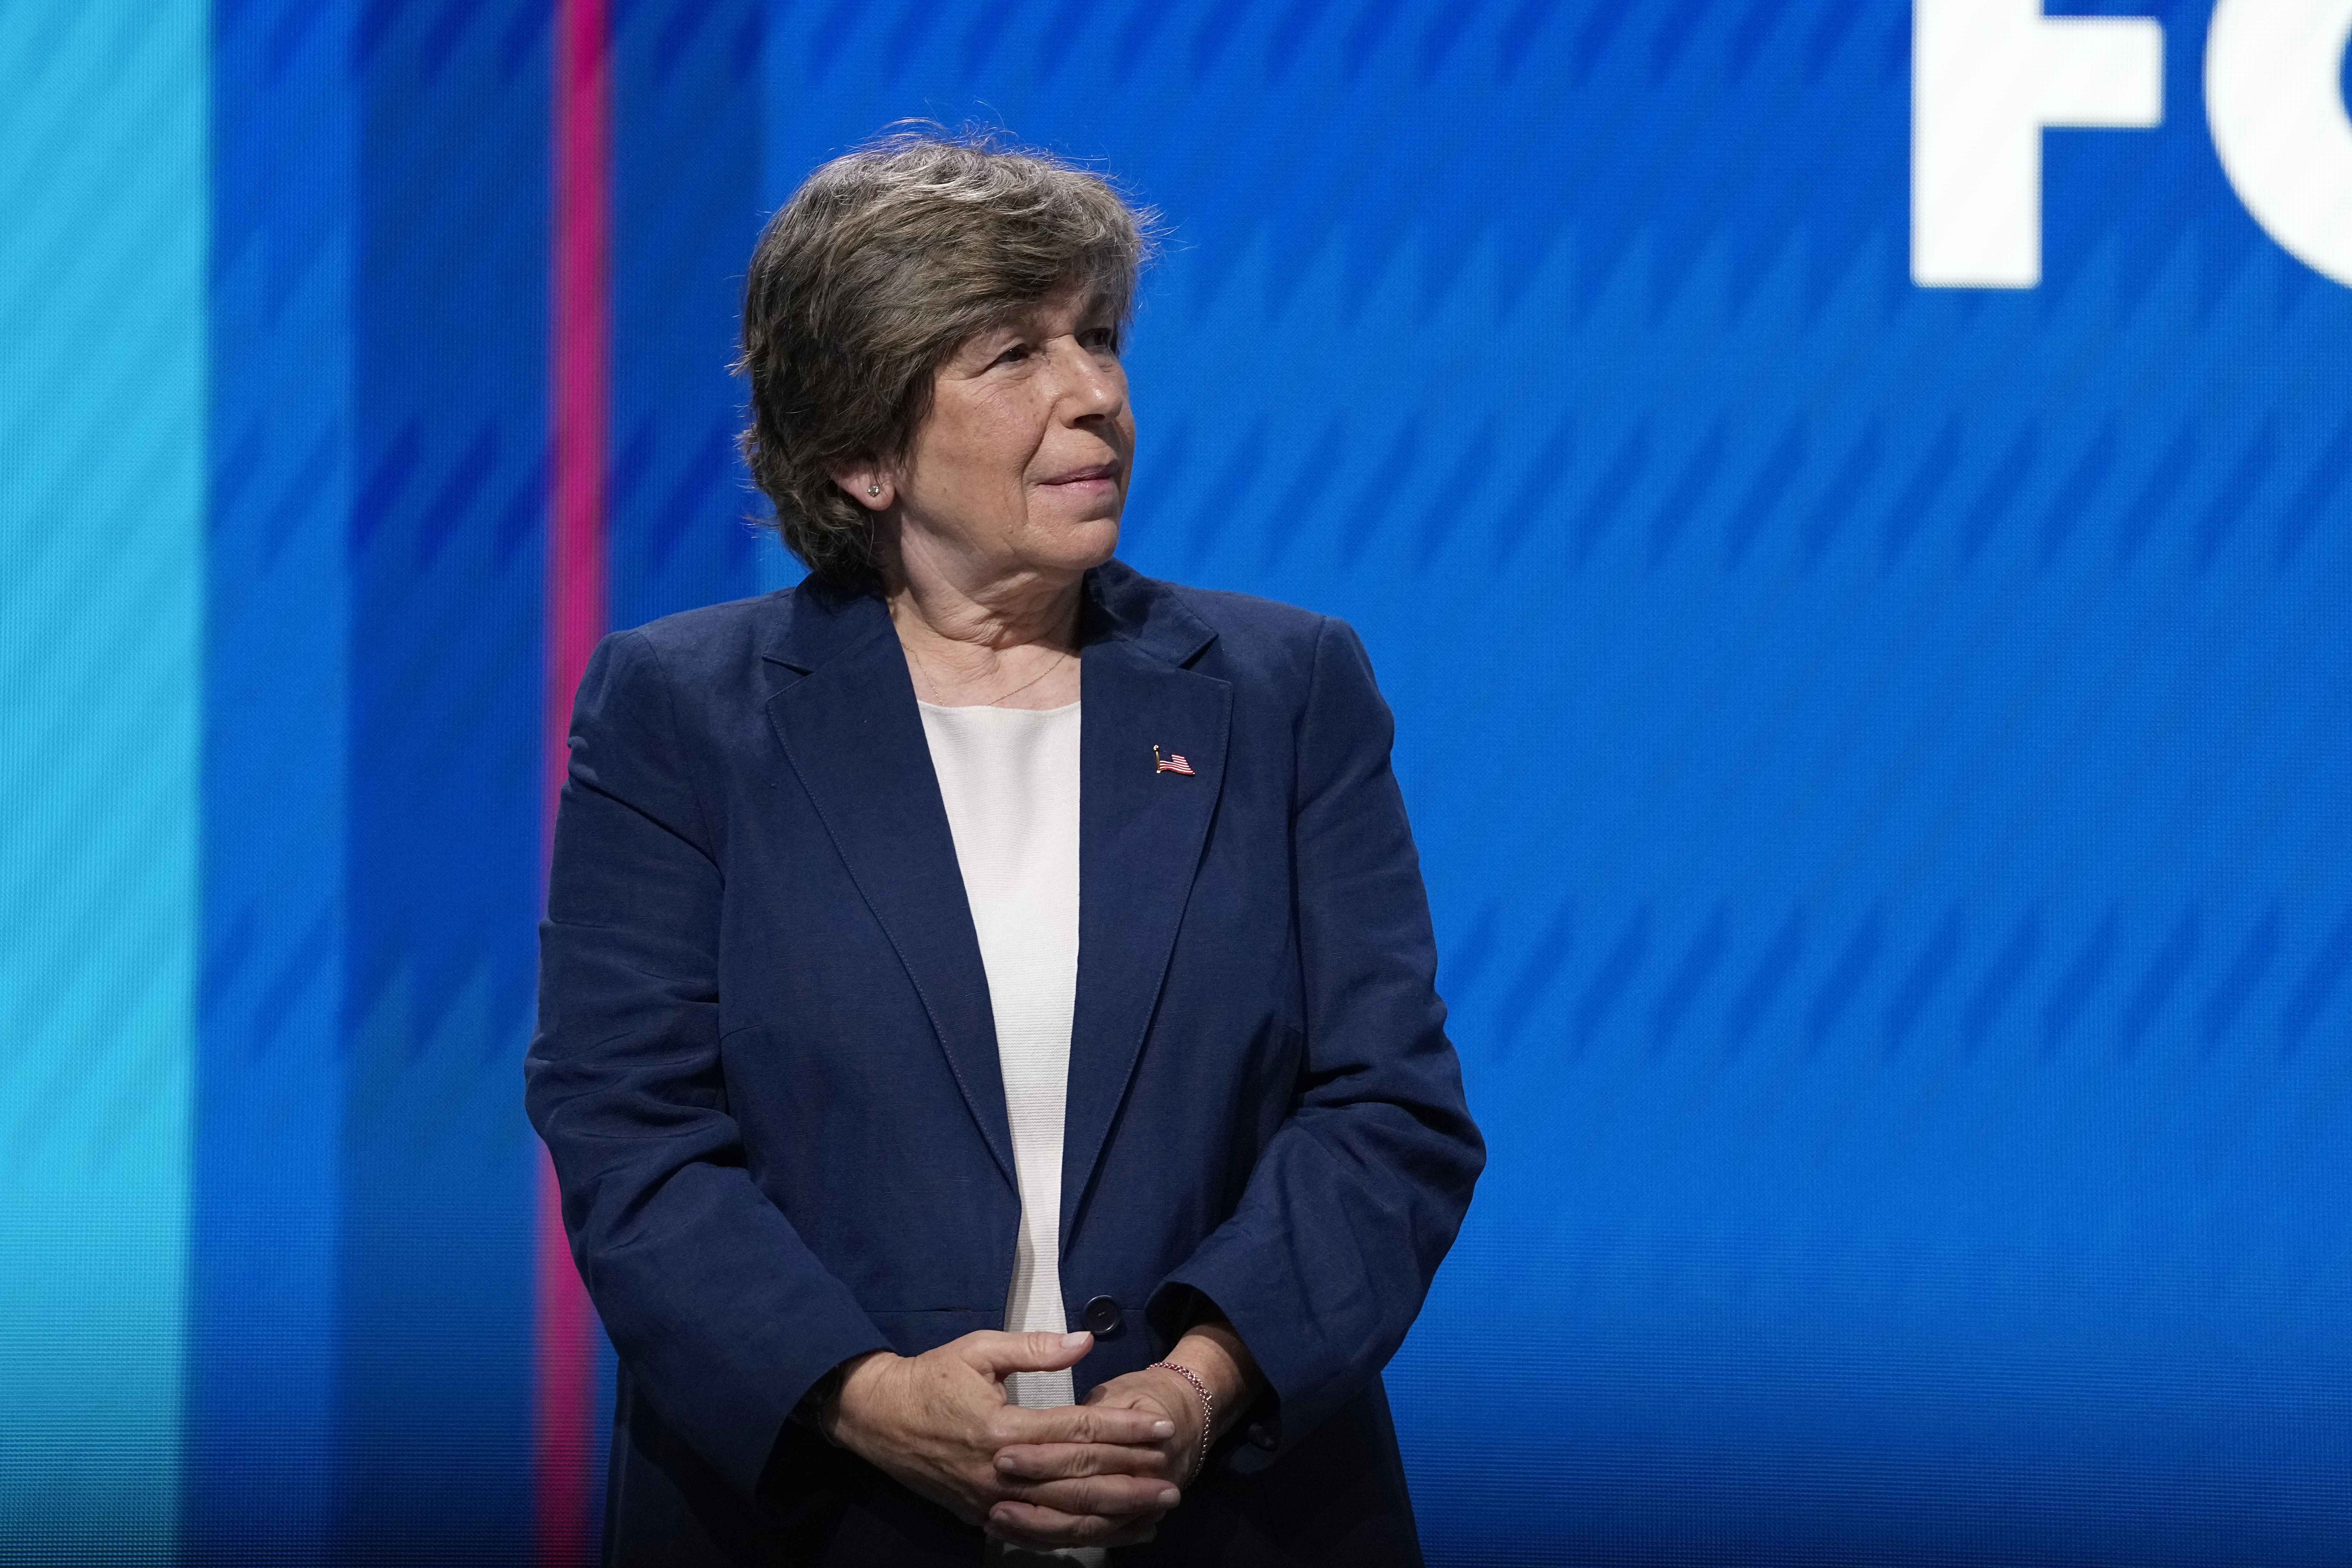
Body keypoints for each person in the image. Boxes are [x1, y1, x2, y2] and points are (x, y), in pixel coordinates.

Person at [525, 129, 1483, 1566]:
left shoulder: (1287, 691)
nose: (1096, 394)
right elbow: (629, 1130)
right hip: (827, 1515)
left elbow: (1388, 1109)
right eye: (1013, 355)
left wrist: (1193, 1389)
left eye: (1098, 338)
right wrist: (867, 1397)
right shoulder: (684, 712)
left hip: (1226, 1515)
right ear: (862, 452)